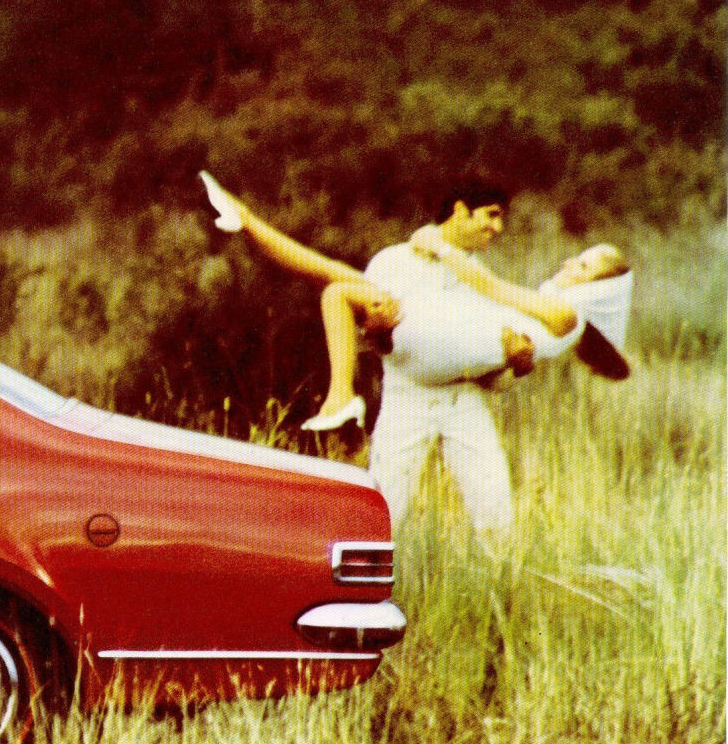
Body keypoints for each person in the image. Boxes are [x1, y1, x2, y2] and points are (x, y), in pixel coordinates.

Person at [200, 171, 633, 541]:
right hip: (410, 390)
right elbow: (388, 343)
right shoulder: (397, 260)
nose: (498, 229)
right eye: (492, 216)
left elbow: (485, 351)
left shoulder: (508, 289)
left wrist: (511, 369)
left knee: (494, 510)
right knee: (384, 509)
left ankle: (251, 224)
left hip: (461, 395)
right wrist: (378, 332)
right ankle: (248, 222)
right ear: (461, 211)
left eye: (584, 267)